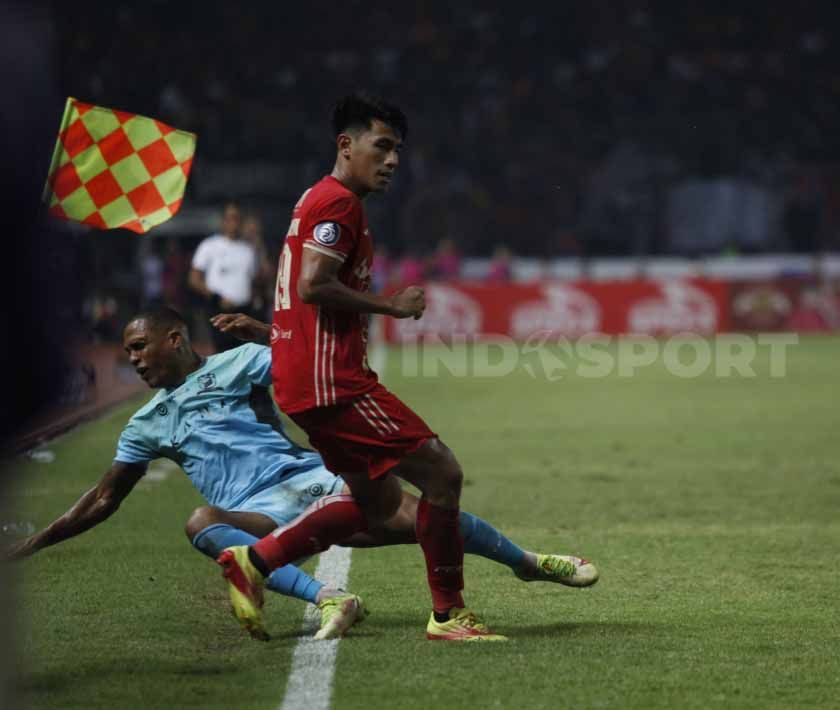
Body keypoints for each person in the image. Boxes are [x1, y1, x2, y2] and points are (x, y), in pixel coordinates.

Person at [4, 307, 597, 641]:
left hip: (315, 483)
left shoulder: (239, 363)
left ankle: (528, 564)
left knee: (430, 517)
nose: (130, 360)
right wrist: (36, 542)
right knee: (200, 522)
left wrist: (264, 334)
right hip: (257, 512)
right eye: (127, 352)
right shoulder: (145, 423)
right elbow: (104, 498)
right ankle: (332, 598)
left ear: (175, 340)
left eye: (138, 347)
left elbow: (304, 366)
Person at [218, 93, 520, 642]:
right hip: (333, 384)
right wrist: (390, 305)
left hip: (305, 380)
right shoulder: (338, 204)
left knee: (375, 503)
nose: (392, 161)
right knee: (442, 473)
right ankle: (449, 615)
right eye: (381, 147)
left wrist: (269, 335)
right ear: (346, 145)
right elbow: (312, 284)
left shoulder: (314, 198)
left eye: (396, 152)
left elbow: (298, 304)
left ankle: (254, 562)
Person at [189, 203, 258, 352]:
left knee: (243, 354)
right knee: (222, 354)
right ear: (223, 221)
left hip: (244, 312)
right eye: (230, 218)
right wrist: (216, 298)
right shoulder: (209, 246)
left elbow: (255, 280)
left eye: (237, 218)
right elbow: (194, 279)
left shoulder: (248, 249)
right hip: (218, 310)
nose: (234, 222)